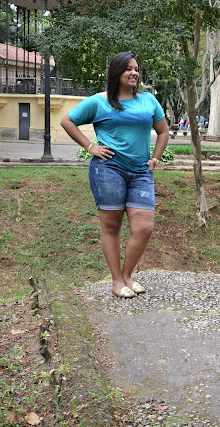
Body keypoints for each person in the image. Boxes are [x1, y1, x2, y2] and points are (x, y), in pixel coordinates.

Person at [60, 51, 169, 299]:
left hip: (141, 172)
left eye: (136, 69)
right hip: (108, 169)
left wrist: (155, 158)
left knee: (144, 227)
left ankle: (128, 275)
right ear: (116, 72)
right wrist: (90, 146)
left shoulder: (148, 101)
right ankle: (117, 280)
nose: (134, 73)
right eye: (128, 69)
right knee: (111, 227)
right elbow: (67, 121)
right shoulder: (99, 101)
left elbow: (163, 132)